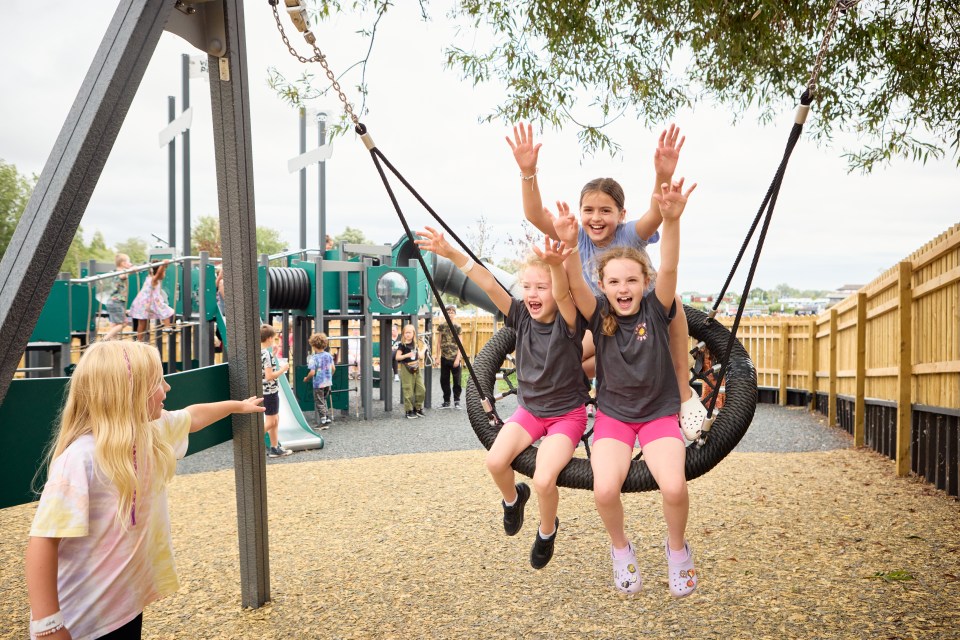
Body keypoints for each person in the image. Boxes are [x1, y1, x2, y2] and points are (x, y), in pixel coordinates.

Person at [25, 341, 264, 640]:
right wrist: (48, 625)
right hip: (83, 621)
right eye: (157, 381)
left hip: (125, 605)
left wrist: (237, 407)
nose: (167, 387)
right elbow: (42, 543)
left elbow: (193, 417)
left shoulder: (149, 432)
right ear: (128, 392)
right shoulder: (81, 459)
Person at [507, 123, 708, 442]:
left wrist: (662, 175)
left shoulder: (629, 234)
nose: (596, 218)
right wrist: (527, 172)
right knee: (575, 352)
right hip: (603, 322)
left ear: (621, 213)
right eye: (588, 210)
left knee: (676, 302)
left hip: (647, 318)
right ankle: (568, 400)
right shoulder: (577, 237)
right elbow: (534, 214)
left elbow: (659, 213)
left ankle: (683, 394)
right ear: (579, 213)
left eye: (605, 210)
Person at [553, 177, 699, 596]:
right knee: (603, 489)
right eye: (614, 282)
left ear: (645, 282)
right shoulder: (597, 314)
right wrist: (565, 248)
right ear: (602, 285)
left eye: (632, 281)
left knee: (673, 485)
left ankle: (677, 551)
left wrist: (671, 220)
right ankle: (621, 549)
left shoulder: (657, 308)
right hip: (615, 418)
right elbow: (572, 286)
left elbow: (669, 266)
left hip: (656, 414)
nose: (623, 289)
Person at [416, 228, 587, 570]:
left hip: (567, 416)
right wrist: (452, 255)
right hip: (531, 411)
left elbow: (566, 296)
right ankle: (513, 499)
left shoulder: (570, 322)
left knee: (543, 478)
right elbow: (490, 284)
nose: (533, 294)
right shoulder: (521, 315)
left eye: (543, 288)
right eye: (528, 287)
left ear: (557, 289)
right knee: (495, 462)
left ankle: (547, 530)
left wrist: (557, 265)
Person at [260, 324, 293, 458]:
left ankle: (274, 447)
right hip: (270, 391)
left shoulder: (260, 352)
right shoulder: (265, 354)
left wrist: (273, 355)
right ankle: (252, 440)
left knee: (275, 419)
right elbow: (269, 376)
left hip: (265, 390)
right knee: (271, 421)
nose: (274, 340)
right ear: (268, 338)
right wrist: (283, 369)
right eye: (273, 338)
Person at [128, 260, 175, 343]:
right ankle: (167, 327)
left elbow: (155, 272)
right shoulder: (154, 280)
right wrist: (163, 265)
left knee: (142, 322)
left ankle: (139, 339)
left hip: (142, 302)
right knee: (167, 311)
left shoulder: (148, 278)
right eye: (164, 272)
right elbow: (158, 274)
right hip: (151, 302)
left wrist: (161, 266)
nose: (164, 274)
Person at [304, 332, 335, 429]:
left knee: (319, 401)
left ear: (313, 345)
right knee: (324, 400)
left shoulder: (314, 358)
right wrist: (329, 376)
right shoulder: (329, 355)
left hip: (318, 383)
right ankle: (327, 417)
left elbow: (312, 372)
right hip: (328, 382)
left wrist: (306, 378)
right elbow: (333, 368)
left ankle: (323, 422)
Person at [394, 323, 425, 419]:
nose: (407, 334)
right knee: (408, 389)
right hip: (406, 368)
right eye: (405, 333)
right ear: (403, 334)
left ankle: (418, 407)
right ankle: (409, 410)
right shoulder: (402, 345)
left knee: (421, 389)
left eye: (409, 332)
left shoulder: (415, 344)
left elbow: (421, 356)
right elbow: (397, 357)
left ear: (413, 334)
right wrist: (406, 355)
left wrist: (424, 349)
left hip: (416, 367)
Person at [436, 304, 463, 409]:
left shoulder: (458, 327)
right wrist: (437, 357)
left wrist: (458, 358)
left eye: (452, 312)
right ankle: (446, 401)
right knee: (444, 379)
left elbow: (460, 344)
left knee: (457, 380)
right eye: (448, 312)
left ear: (455, 314)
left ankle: (457, 401)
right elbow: (438, 342)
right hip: (444, 357)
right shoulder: (442, 326)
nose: (450, 314)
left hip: (454, 357)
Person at [103, 253, 133, 340]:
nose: (130, 263)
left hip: (112, 301)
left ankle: (113, 342)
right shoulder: (121, 273)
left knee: (115, 324)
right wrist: (131, 269)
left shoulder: (114, 272)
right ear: (123, 263)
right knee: (123, 323)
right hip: (116, 302)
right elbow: (123, 276)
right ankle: (105, 339)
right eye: (129, 262)